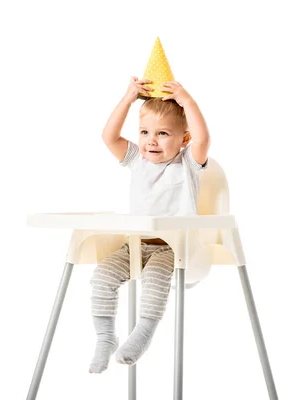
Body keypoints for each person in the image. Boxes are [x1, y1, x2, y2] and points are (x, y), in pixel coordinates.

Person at [89, 77, 211, 373]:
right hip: (136, 245)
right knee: (102, 275)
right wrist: (128, 98)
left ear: (183, 139)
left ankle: (143, 332)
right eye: (144, 132)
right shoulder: (136, 161)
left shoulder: (188, 164)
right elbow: (109, 137)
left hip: (174, 249)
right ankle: (105, 336)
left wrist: (187, 101)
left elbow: (203, 139)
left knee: (155, 279)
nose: (151, 140)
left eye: (163, 133)